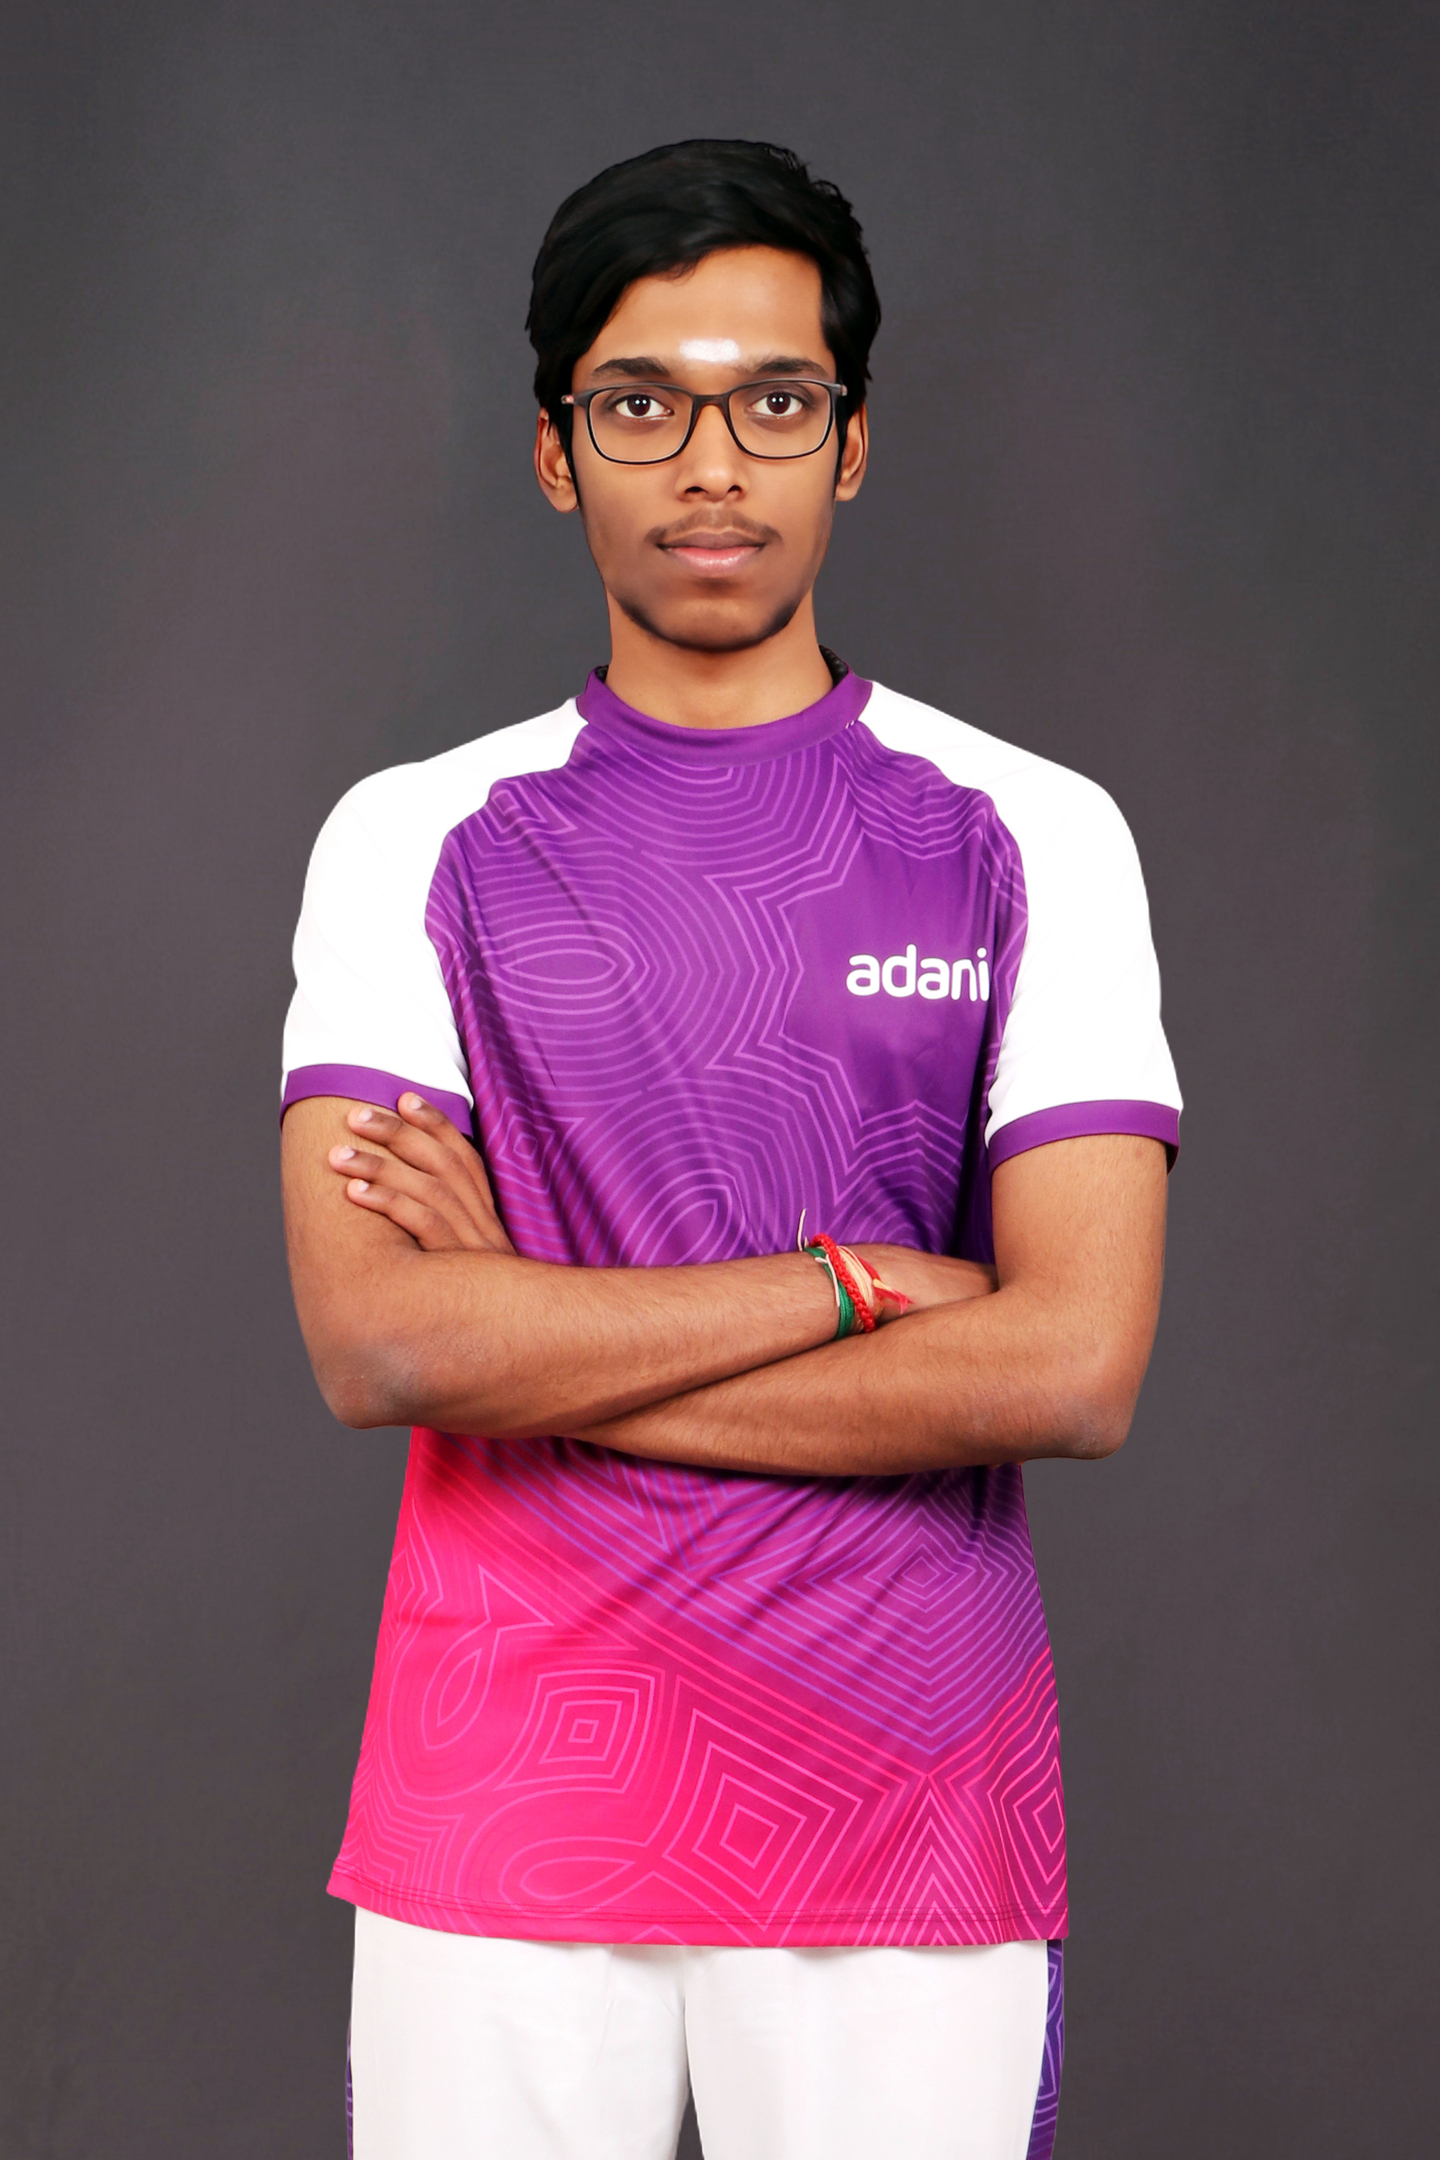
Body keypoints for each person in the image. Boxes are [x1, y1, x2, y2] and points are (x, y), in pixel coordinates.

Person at [280, 137, 1180, 2160]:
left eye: (775, 401)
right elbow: (386, 1350)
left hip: (903, 1806)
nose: (713, 463)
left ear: (849, 446)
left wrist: (543, 1328)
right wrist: (853, 1287)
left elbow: (1067, 1366)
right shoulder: (413, 839)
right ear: (553, 451)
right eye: (643, 403)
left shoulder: (1033, 829)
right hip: (503, 1804)